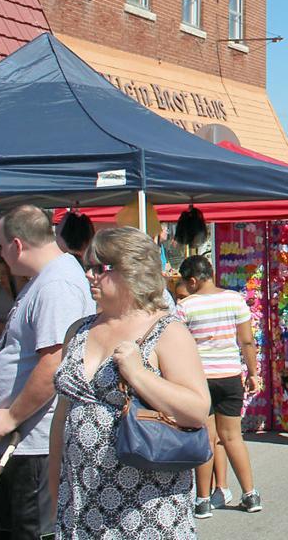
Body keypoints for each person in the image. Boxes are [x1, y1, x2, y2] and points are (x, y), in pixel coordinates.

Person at [49, 227, 210, 540]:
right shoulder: (78, 332)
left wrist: (139, 374)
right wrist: (55, 486)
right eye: (87, 267)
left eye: (99, 268)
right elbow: (62, 415)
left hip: (145, 508)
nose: (89, 276)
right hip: (80, 504)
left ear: (130, 271)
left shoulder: (167, 332)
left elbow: (197, 410)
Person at [0, 205, 95, 540]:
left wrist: (12, 416)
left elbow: (54, 361)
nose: (1, 256)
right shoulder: (46, 280)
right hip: (25, 441)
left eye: (1, 247)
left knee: (32, 531)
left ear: (16, 245)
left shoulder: (55, 284)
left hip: (34, 443)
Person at [176, 255, 264, 518]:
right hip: (229, 376)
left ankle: (202, 500)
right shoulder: (234, 299)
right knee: (232, 437)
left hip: (198, 379)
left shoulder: (184, 307)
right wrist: (253, 373)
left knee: (205, 437)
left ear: (192, 280)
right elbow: (247, 341)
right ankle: (250, 494)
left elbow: (178, 345)